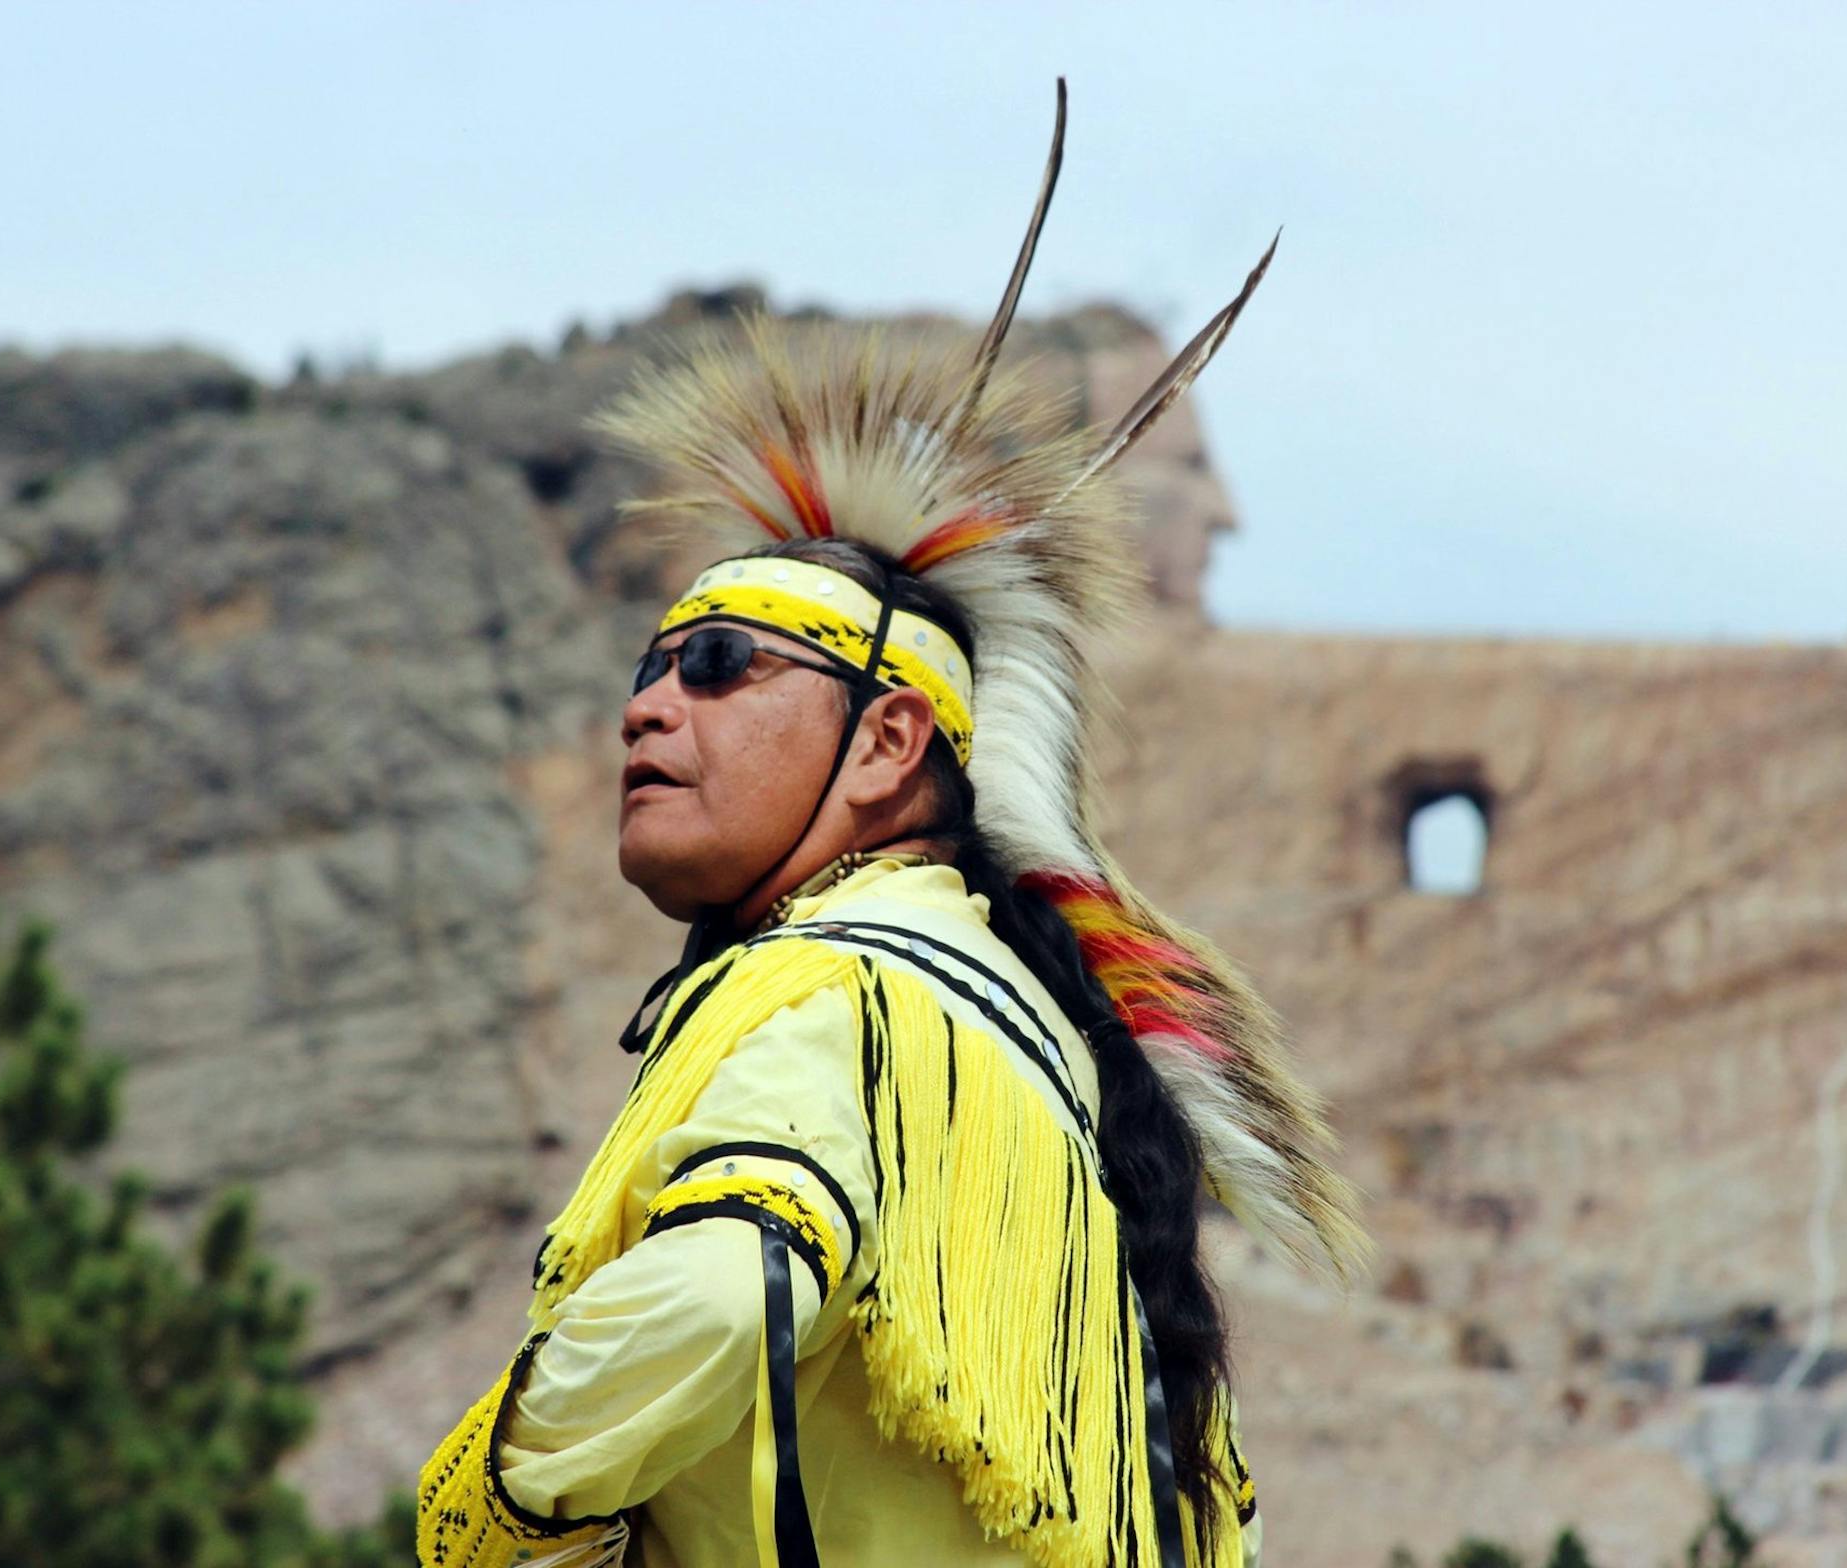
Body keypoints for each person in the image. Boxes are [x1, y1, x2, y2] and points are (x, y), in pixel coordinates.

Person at [417, 81, 1367, 1568]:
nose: (652, 709)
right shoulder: (1061, 1079)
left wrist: (488, 1509)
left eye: (722, 666)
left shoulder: (829, 995)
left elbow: (727, 1291)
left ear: (888, 741)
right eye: (652, 665)